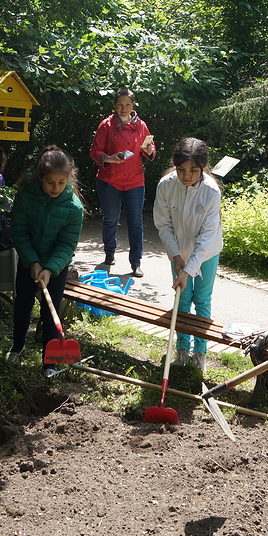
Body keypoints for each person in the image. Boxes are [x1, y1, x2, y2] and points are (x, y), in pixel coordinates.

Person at [6, 146, 85, 370]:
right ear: (41, 177)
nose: (56, 188)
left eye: (61, 183)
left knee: (51, 310)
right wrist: (32, 261)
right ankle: (17, 345)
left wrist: (49, 268)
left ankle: (50, 361)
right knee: (22, 303)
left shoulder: (73, 208)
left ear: (68, 180)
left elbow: (67, 244)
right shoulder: (26, 196)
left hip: (56, 265)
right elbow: (18, 231)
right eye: (50, 182)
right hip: (29, 259)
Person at [153, 138, 224, 370]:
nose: (186, 176)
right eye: (182, 169)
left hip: (206, 253)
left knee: (201, 299)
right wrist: (175, 256)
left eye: (194, 170)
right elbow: (163, 225)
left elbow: (206, 237)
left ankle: (199, 353)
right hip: (178, 253)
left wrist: (190, 269)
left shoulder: (211, 191)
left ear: (203, 167)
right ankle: (182, 350)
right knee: (181, 299)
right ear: (175, 165)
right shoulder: (166, 185)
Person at [89, 88, 157, 277]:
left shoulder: (141, 125)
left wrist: (150, 150)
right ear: (114, 105)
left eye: (127, 104)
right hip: (109, 181)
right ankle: (109, 254)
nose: (123, 108)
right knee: (111, 219)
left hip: (135, 181)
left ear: (133, 105)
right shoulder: (106, 125)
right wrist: (109, 158)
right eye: (120, 104)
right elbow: (95, 150)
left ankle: (136, 263)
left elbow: (148, 149)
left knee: (136, 222)